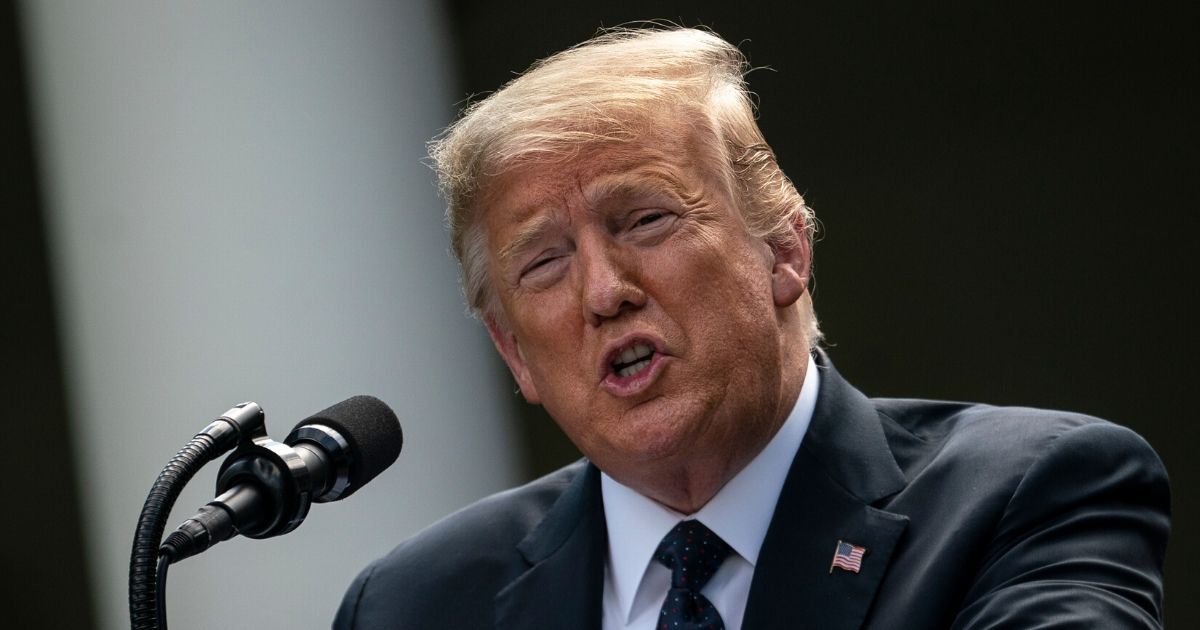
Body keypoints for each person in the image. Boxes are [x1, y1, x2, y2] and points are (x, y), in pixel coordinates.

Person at [334, 27, 1169, 629]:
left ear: (783, 250)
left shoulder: (1026, 497)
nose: (602, 292)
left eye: (646, 220)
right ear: (513, 352)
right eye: (543, 263)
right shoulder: (416, 603)